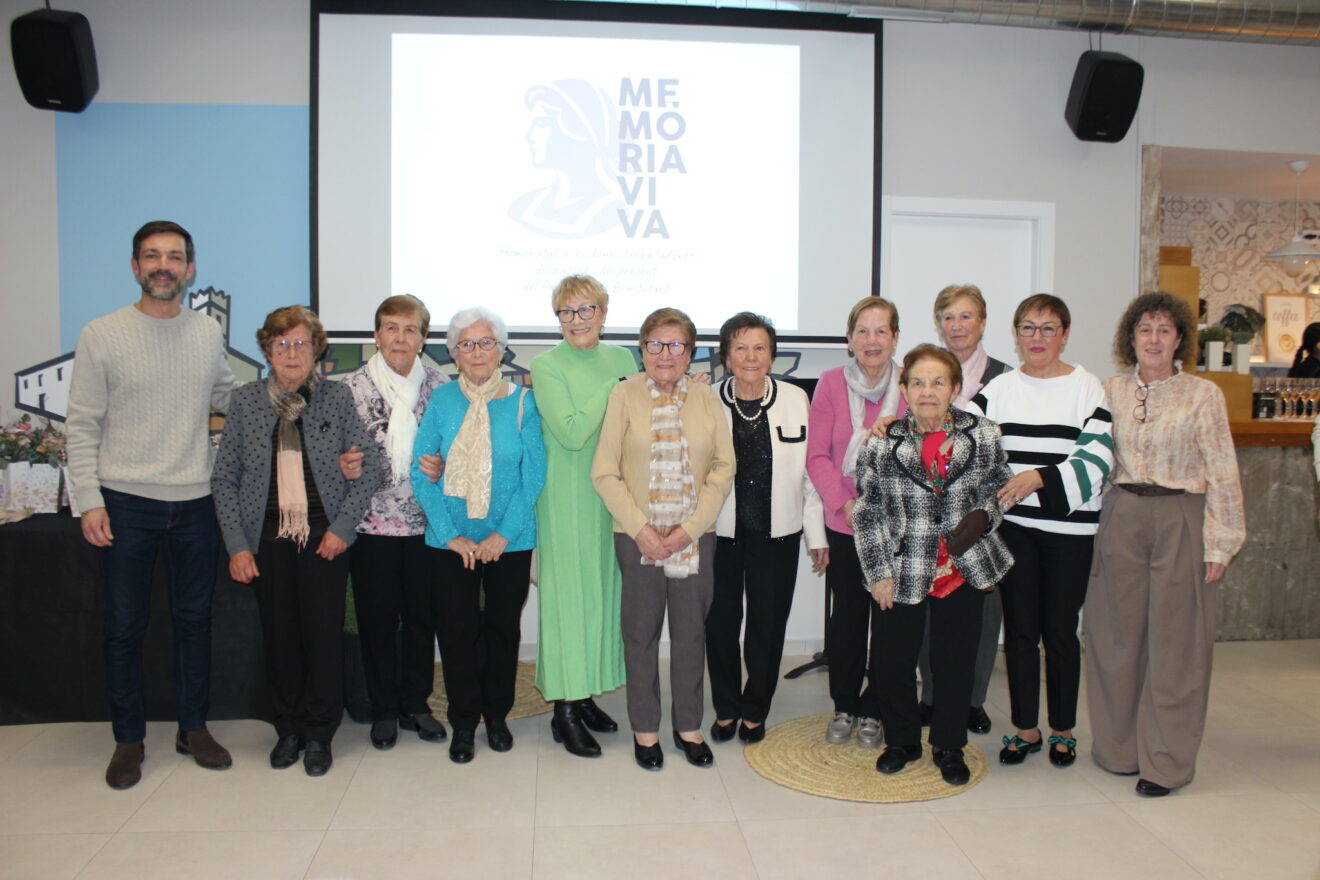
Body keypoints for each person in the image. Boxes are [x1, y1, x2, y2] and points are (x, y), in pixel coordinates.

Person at [66, 221, 237, 790]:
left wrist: (292, 397)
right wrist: (88, 500)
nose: (164, 265)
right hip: (124, 502)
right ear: (135, 266)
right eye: (152, 255)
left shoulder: (206, 332)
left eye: (175, 257)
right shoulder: (102, 334)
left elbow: (229, 397)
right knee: (123, 627)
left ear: (190, 269)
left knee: (194, 622)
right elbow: (82, 424)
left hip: (195, 501)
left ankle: (193, 728)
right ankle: (128, 739)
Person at [1084, 292, 1245, 798]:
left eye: (1164, 330)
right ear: (1130, 338)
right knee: (1115, 640)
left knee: (1176, 646)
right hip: (1122, 515)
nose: (1153, 339)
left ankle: (1166, 762)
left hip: (1181, 516)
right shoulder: (1107, 390)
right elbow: (1092, 460)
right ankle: (1119, 750)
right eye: (1145, 329)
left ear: (1180, 340)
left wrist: (1220, 544)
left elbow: (1223, 470)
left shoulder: (1203, 395)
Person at [210, 305, 377, 777]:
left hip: (325, 540)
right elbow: (224, 479)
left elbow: (369, 467)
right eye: (281, 343)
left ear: (316, 350)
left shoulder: (336, 398)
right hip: (266, 542)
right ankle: (288, 728)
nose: (291, 352)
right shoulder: (246, 402)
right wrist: (237, 546)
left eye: (301, 343)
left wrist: (343, 529)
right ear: (267, 350)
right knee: (280, 637)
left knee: (322, 638)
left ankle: (320, 732)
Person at [853, 344, 1014, 786]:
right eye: (918, 383)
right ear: (904, 390)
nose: (928, 391)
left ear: (955, 388)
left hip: (961, 567)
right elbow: (867, 511)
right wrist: (878, 573)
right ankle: (902, 741)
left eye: (938, 382)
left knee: (954, 663)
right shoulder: (883, 440)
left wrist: (984, 518)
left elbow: (1000, 490)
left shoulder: (983, 434)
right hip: (901, 566)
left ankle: (948, 745)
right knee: (893, 661)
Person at [964, 294, 1114, 768]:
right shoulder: (1000, 389)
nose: (1037, 338)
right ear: (1016, 334)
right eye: (1027, 328)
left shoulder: (1087, 387)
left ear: (1064, 334)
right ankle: (1025, 728)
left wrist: (1040, 478)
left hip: (1070, 531)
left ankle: (1063, 729)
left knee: (1061, 632)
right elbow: (959, 434)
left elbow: (1098, 456)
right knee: (1021, 630)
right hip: (1017, 529)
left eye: (1048, 328)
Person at [591, 308, 735, 770]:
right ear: (642, 350)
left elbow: (724, 467)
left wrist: (688, 531)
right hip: (637, 538)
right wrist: (642, 530)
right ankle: (645, 730)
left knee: (691, 635)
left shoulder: (706, 397)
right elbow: (604, 472)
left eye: (676, 345)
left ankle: (688, 727)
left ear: (690, 353)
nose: (665, 354)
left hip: (695, 538)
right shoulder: (624, 395)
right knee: (640, 635)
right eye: (655, 344)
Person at [411, 307, 546, 764]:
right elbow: (421, 470)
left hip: (510, 540)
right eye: (465, 344)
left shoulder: (524, 402)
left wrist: (502, 535)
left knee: (502, 630)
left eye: (486, 342)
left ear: (501, 350)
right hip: (452, 543)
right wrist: (450, 535)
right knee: (457, 632)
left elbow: (533, 475)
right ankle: (465, 722)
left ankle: (497, 716)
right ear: (453, 354)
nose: (476, 352)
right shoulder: (442, 400)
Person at [706, 312, 827, 746]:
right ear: (726, 357)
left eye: (759, 348)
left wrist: (817, 536)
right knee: (720, 625)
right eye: (740, 348)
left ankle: (755, 708)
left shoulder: (796, 398)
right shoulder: (706, 400)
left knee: (767, 624)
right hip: (719, 535)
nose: (750, 357)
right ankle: (726, 708)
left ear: (772, 356)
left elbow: (810, 474)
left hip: (778, 535)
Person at [530, 275, 638, 758]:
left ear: (603, 313)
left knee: (602, 599)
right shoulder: (546, 365)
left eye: (586, 309)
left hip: (612, 495)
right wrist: (613, 389)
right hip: (567, 497)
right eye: (567, 312)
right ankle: (565, 710)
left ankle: (586, 692)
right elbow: (572, 433)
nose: (577, 320)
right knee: (568, 603)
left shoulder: (623, 359)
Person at [342, 295, 449, 750]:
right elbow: (332, 454)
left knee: (423, 620)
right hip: (371, 528)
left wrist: (446, 465)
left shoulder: (441, 386)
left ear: (423, 339)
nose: (400, 338)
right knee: (378, 622)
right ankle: (384, 709)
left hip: (428, 526)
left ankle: (416, 704)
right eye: (391, 328)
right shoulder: (351, 388)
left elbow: (460, 449)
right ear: (376, 335)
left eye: (410, 330)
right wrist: (342, 464)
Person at [806, 296, 906, 747]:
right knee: (847, 619)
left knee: (889, 622)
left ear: (895, 338)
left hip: (895, 528)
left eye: (881, 330)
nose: (871, 339)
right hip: (845, 522)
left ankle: (875, 707)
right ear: (849, 339)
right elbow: (817, 455)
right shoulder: (830, 383)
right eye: (862, 331)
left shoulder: (910, 385)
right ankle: (845, 703)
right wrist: (845, 505)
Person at [919, 283, 1013, 735]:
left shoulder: (1005, 379)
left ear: (982, 322)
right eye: (948, 317)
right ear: (939, 324)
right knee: (926, 608)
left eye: (966, 316)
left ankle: (973, 700)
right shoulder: (925, 370)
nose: (957, 325)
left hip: (980, 516)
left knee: (981, 611)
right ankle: (931, 695)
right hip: (928, 515)